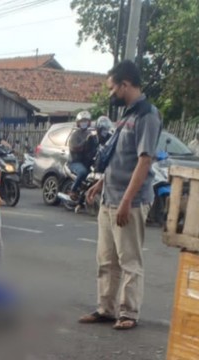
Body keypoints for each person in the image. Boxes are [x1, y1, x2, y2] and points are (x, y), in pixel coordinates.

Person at [80, 60, 162, 330]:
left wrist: (127, 201)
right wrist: (101, 184)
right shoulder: (127, 114)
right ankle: (106, 308)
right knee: (106, 260)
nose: (110, 93)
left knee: (129, 261)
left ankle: (129, 313)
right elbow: (120, 157)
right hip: (110, 197)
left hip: (131, 202)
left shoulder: (147, 115)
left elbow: (144, 161)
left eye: (112, 87)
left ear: (125, 84)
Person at [68, 111, 98, 200]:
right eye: (82, 121)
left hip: (87, 161)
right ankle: (72, 190)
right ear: (78, 122)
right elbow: (74, 148)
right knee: (83, 172)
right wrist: (85, 142)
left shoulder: (91, 135)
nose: (84, 123)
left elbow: (96, 146)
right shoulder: (75, 134)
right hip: (75, 162)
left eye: (86, 120)